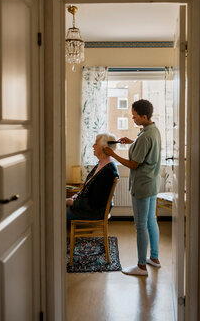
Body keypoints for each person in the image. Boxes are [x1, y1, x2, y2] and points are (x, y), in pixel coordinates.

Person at [103, 99, 161, 276]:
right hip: (152, 184)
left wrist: (113, 154)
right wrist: (131, 142)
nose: (132, 118)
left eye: (135, 116)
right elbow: (145, 149)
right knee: (151, 220)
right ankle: (155, 258)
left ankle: (141, 266)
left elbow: (134, 164)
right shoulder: (153, 131)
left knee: (141, 225)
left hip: (142, 186)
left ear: (144, 116)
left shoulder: (145, 136)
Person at [66, 133, 119, 225]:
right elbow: (88, 190)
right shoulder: (102, 165)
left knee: (56, 214)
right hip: (90, 208)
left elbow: (95, 202)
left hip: (94, 212)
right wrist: (74, 197)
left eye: (96, 144)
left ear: (104, 148)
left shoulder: (108, 171)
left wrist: (73, 203)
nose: (93, 146)